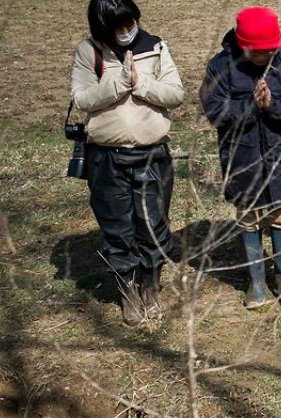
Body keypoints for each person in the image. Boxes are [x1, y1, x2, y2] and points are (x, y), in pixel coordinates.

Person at [71, 0, 184, 326]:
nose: (125, 32)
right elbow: (82, 98)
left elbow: (176, 93)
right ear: (102, 28)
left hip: (152, 156)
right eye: (116, 27)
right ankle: (128, 293)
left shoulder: (155, 46)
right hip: (107, 158)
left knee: (152, 225)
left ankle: (150, 287)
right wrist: (118, 82)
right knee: (117, 231)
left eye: (129, 22)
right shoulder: (89, 51)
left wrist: (141, 84)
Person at [200, 6, 281, 310]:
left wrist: (273, 105)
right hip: (241, 159)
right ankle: (256, 283)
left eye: (270, 50)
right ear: (243, 45)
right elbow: (215, 111)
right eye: (258, 52)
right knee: (248, 218)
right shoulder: (220, 66)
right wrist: (252, 107)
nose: (266, 56)